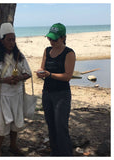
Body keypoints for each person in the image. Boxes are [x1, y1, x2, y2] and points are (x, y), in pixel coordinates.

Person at [0, 23, 32, 156]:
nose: (12, 42)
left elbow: (28, 73)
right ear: (2, 41)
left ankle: (13, 146)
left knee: (15, 122)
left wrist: (19, 78)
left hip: (17, 94)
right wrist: (5, 80)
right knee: (1, 124)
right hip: (4, 96)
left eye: (13, 39)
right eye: (9, 39)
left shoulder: (19, 57)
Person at [36, 23, 75, 156]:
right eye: (50, 39)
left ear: (63, 38)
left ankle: (65, 154)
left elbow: (67, 76)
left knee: (61, 127)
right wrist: (40, 73)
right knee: (51, 125)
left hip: (61, 95)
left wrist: (50, 75)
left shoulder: (68, 53)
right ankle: (55, 152)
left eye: (55, 39)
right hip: (47, 93)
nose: (52, 42)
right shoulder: (47, 51)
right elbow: (43, 68)